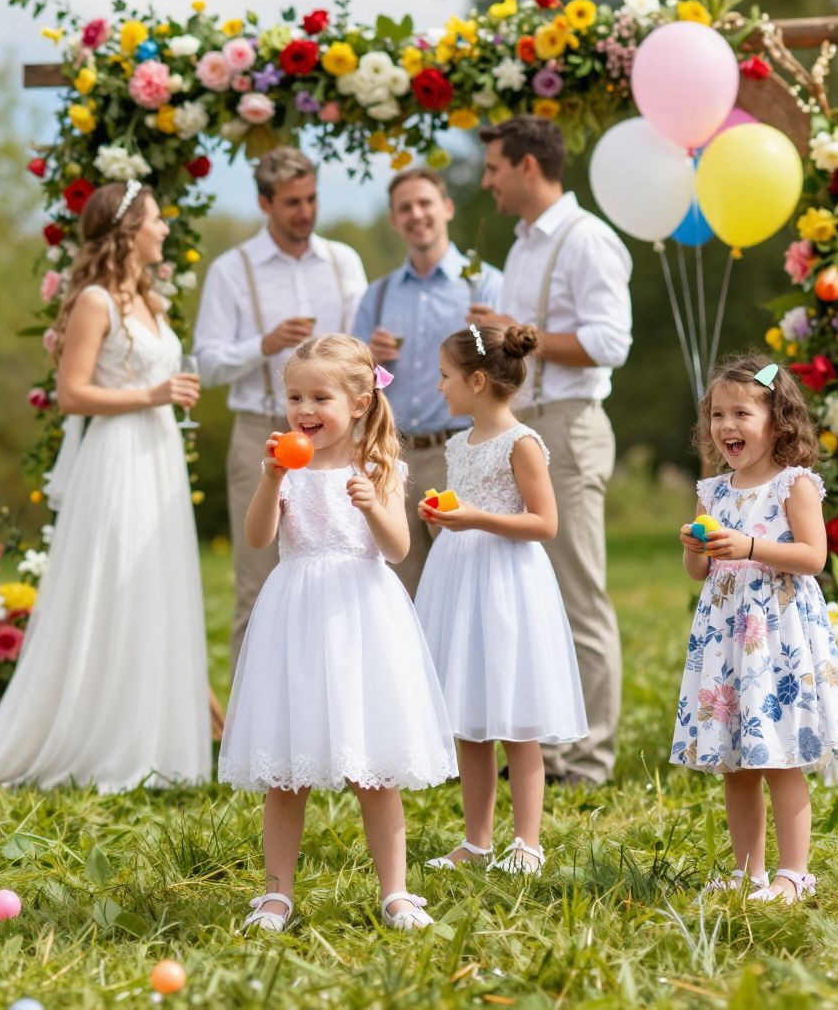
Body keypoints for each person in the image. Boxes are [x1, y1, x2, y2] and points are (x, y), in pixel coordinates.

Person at [0, 180, 208, 794]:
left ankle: (156, 742)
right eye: (157, 220)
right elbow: (71, 393)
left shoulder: (153, 304)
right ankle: (103, 743)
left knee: (153, 583)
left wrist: (165, 399)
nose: (166, 229)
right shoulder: (95, 303)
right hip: (115, 459)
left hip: (158, 456)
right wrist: (151, 395)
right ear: (129, 230)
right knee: (112, 585)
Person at [220, 333, 456, 935]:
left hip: (361, 619)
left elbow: (398, 547)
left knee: (373, 769)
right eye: (294, 397)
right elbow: (256, 538)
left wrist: (372, 504)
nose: (303, 410)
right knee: (286, 773)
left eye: (318, 397)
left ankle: (396, 892)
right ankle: (276, 895)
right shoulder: (286, 466)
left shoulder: (377, 467)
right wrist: (272, 479)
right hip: (296, 616)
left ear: (357, 403)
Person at [471, 116, 632, 785]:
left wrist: (517, 334)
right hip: (523, 428)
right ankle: (550, 751)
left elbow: (610, 341)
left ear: (529, 167)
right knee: (531, 596)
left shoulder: (587, 238)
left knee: (576, 593)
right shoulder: (523, 246)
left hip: (567, 427)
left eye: (493, 169)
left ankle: (589, 758)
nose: (486, 182)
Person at [673, 355, 838, 903]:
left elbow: (813, 556)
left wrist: (751, 546)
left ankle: (794, 872)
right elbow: (701, 572)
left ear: (778, 420)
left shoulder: (792, 485)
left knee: (780, 756)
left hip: (777, 638)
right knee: (736, 761)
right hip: (728, 639)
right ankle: (747, 870)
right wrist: (695, 551)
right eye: (716, 414)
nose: (726, 426)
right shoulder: (713, 492)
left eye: (741, 413)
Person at [414, 323, 588, 877]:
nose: (439, 387)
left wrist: (474, 518)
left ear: (478, 380)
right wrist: (443, 519)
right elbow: (460, 519)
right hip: (461, 580)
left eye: (446, 376)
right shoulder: (457, 444)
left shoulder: (522, 442)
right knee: (469, 718)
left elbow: (545, 522)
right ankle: (477, 840)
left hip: (508, 583)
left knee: (516, 720)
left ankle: (527, 842)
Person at [194, 147, 368, 667]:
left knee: (349, 572)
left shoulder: (344, 261)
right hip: (261, 434)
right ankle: (252, 731)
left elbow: (360, 353)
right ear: (264, 203)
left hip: (337, 442)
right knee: (257, 581)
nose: (306, 212)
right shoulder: (231, 271)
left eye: (311, 198)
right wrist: (262, 345)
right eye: (293, 202)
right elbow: (204, 365)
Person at [352, 167, 503, 597]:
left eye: (425, 203)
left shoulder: (485, 284)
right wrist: (371, 361)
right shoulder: (377, 295)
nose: (416, 214)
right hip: (391, 457)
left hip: (458, 454)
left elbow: (508, 373)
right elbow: (354, 383)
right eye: (405, 208)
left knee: (459, 587)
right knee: (395, 588)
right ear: (393, 220)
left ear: (447, 208)